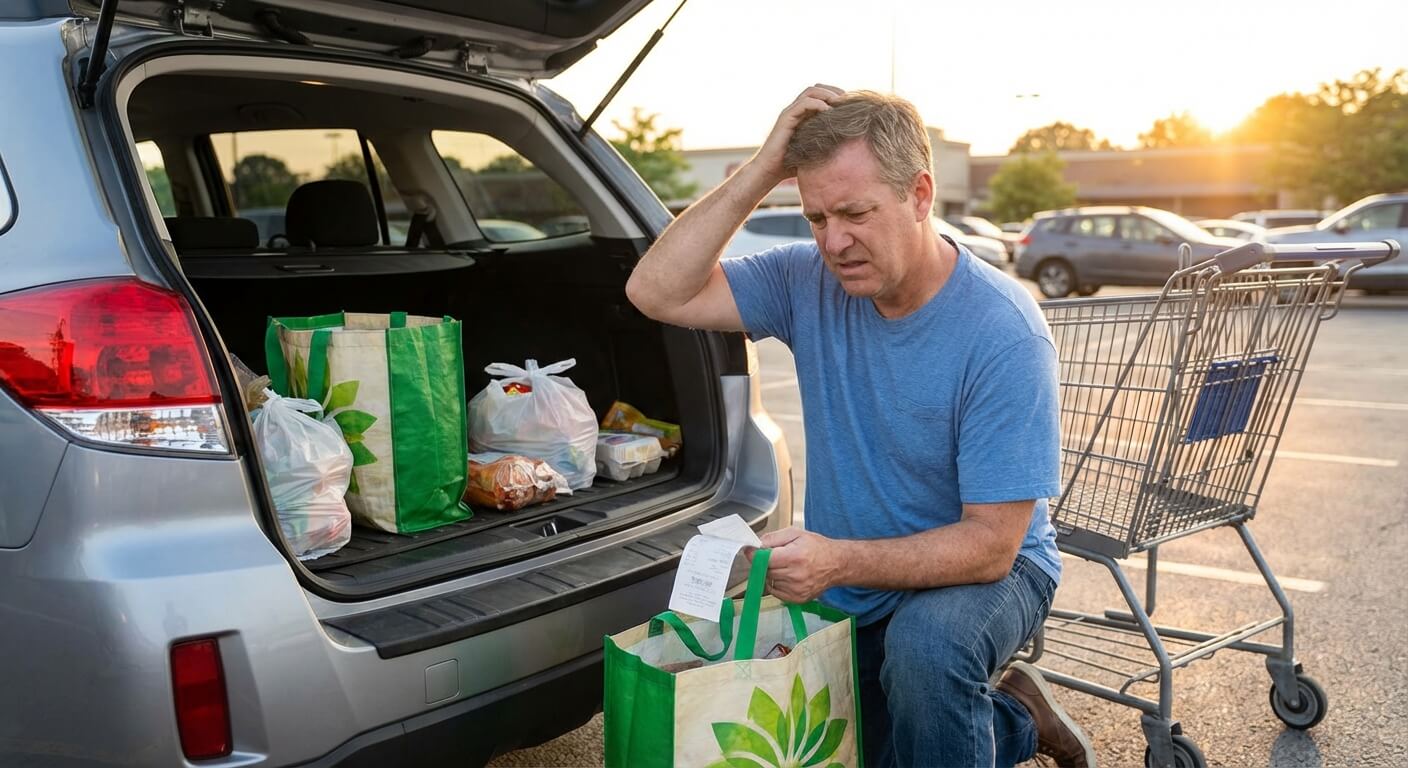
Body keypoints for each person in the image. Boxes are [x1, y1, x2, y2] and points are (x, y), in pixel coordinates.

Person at [624, 86, 1095, 768]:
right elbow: (655, 291)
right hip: (858, 575)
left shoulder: (1002, 331)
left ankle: (980, 707)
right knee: (874, 748)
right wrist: (762, 168)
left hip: (991, 570)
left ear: (920, 195)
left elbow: (992, 544)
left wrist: (836, 559)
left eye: (855, 213)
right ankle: (1019, 716)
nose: (834, 241)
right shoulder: (803, 280)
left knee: (926, 653)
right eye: (815, 217)